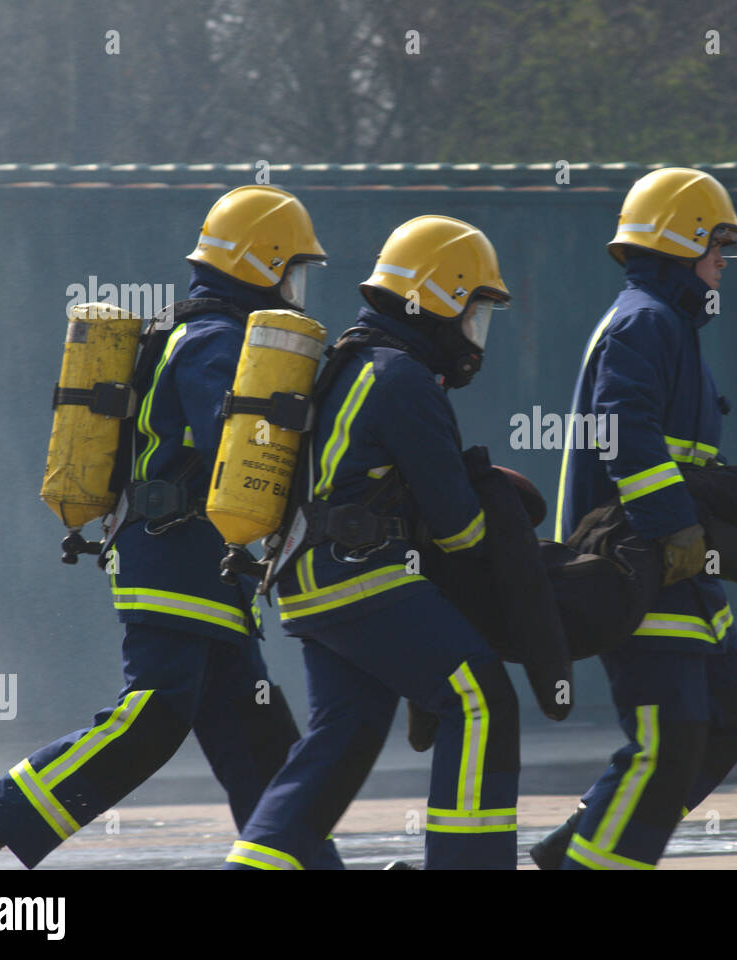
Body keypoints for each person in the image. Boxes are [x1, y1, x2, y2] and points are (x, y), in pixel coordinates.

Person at [0, 185, 342, 870]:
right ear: (259, 264)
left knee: (257, 736)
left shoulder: (187, 328)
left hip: (193, 562)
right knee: (151, 718)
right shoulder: (214, 341)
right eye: (290, 270)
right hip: (178, 562)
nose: (295, 288)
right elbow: (230, 445)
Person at [534, 168, 737, 870]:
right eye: (716, 250)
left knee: (734, 710)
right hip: (639, 565)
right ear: (680, 244)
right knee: (669, 739)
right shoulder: (645, 322)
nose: (721, 268)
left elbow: (696, 479)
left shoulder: (668, 326)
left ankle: (577, 843)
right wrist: (676, 529)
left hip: (683, 567)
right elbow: (629, 434)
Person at [224, 215, 522, 871]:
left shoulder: (350, 364)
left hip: (307, 588)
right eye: (474, 311)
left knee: (343, 734)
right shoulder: (404, 379)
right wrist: (497, 501)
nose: (475, 334)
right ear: (441, 299)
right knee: (479, 696)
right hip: (363, 579)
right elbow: (461, 531)